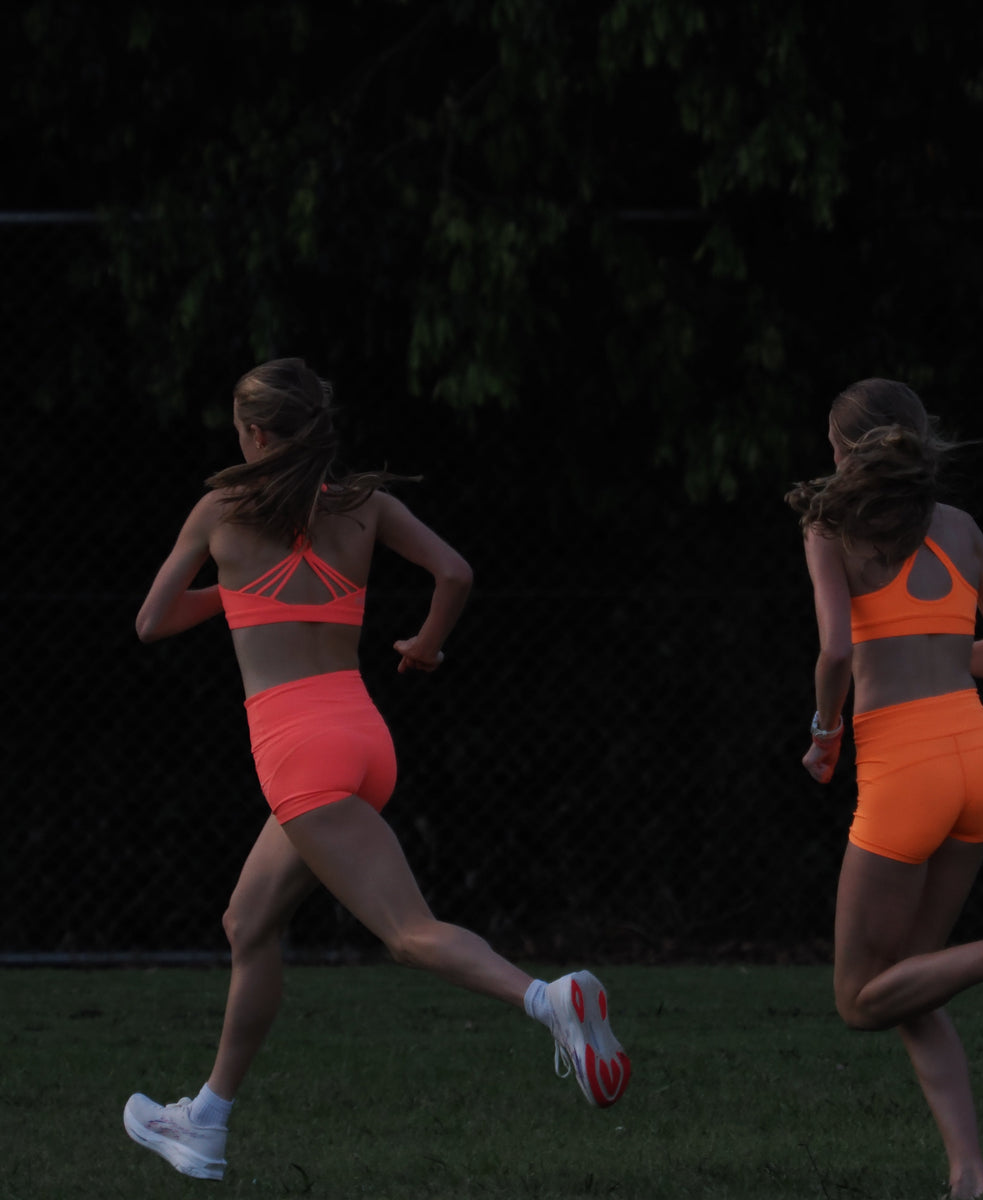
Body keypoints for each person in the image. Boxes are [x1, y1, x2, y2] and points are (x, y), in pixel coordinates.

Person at [123, 357, 631, 1181]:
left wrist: (238, 586)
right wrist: (427, 645)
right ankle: (205, 1122)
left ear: (254, 435)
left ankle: (549, 999)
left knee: (407, 933)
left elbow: (150, 621)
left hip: (297, 754)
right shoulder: (367, 506)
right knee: (247, 922)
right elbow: (455, 572)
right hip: (362, 735)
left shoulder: (219, 512)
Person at [785, 378, 983, 1200]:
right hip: (979, 761)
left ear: (842, 451)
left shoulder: (826, 526)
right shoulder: (962, 530)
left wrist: (825, 732)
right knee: (910, 976)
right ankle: (970, 1174)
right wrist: (933, 659)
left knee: (857, 998)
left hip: (905, 772)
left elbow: (835, 653)